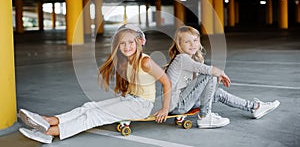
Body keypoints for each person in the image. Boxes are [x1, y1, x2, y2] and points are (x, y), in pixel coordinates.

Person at [18, 24, 172, 144]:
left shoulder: (146, 62)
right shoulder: (126, 61)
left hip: (141, 106)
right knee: (88, 107)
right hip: (131, 99)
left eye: (131, 42)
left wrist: (165, 108)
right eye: (122, 43)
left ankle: (48, 133)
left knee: (94, 115)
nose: (127, 47)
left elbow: (166, 82)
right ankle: (47, 121)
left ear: (140, 42)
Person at [165, 25, 280, 128]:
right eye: (187, 42)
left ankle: (255, 107)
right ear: (179, 45)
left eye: (195, 40)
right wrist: (220, 73)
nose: (193, 44)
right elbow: (207, 71)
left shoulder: (191, 59)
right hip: (177, 105)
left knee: (218, 93)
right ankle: (205, 117)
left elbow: (201, 86)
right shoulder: (181, 59)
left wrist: (216, 77)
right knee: (209, 74)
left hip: (184, 102)